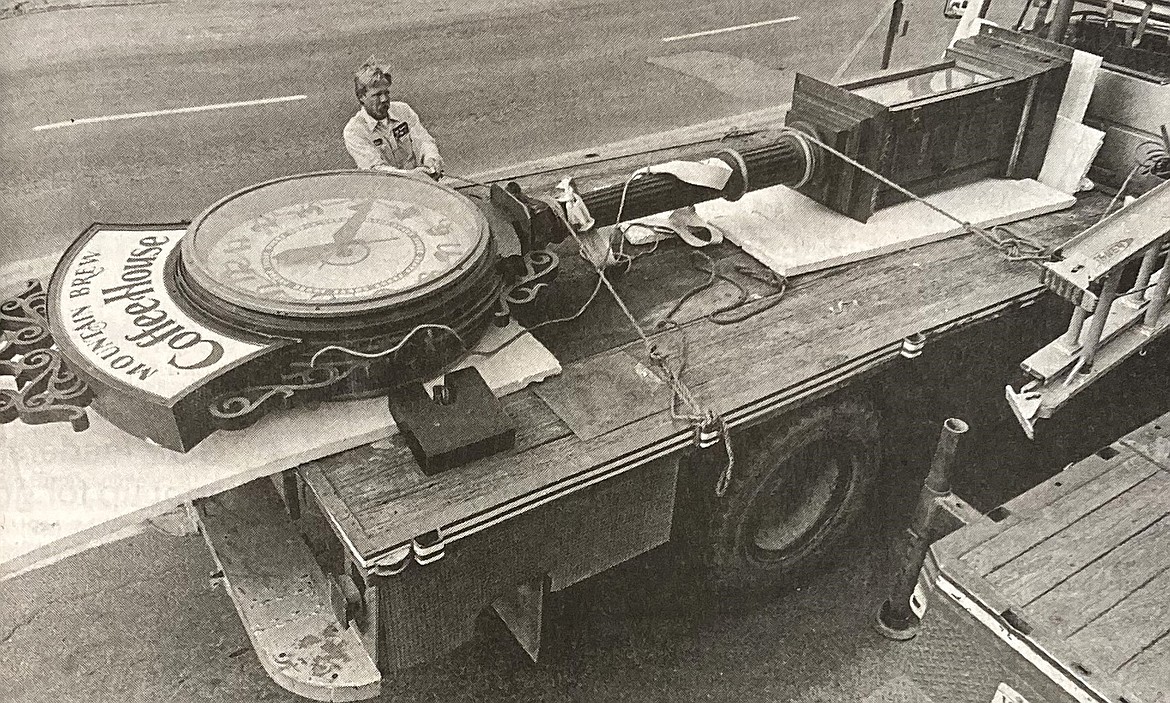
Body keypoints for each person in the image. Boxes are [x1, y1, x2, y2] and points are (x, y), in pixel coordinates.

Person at [343, 61, 445, 180]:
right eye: (377, 95)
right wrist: (413, 176)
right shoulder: (354, 131)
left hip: (421, 183)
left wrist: (431, 158)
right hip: (386, 192)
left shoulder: (403, 110)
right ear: (361, 98)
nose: (384, 99)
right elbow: (376, 170)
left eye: (386, 92)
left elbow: (423, 141)